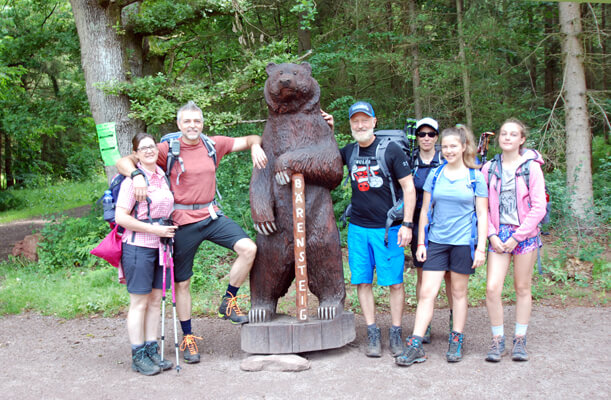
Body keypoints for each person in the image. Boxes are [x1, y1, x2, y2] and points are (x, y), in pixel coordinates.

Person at [116, 101, 267, 364]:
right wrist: (136, 176)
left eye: (196, 121)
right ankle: (187, 337)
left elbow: (253, 137)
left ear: (202, 123)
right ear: (179, 124)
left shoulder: (213, 144)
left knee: (249, 248)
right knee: (182, 283)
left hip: (211, 215)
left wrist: (255, 145)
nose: (192, 125)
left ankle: (228, 301)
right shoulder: (167, 149)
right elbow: (124, 160)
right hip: (181, 222)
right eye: (187, 121)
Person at [328, 101, 416, 358]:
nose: (360, 124)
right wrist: (330, 131)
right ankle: (373, 332)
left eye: (365, 119)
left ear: (374, 121)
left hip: (387, 229)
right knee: (363, 282)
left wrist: (407, 225)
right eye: (355, 120)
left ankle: (396, 332)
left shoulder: (391, 151)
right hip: (358, 228)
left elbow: (409, 189)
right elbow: (327, 159)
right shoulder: (349, 151)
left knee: (395, 283)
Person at [396, 124, 488, 367]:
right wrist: (421, 242)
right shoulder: (435, 175)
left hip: (462, 244)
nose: (448, 151)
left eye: (453, 146)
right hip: (436, 242)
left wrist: (481, 248)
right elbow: (425, 210)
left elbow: (483, 213)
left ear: (463, 147)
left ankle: (456, 338)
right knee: (427, 293)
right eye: (445, 146)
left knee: (458, 293)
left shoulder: (475, 177)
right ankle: (415, 343)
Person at [481, 119, 547, 362]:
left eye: (513, 134)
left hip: (525, 235)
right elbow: (482, 206)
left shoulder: (532, 168)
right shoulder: (488, 168)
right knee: (492, 288)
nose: (507, 137)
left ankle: (520, 339)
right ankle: (498, 340)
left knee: (522, 287)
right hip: (498, 236)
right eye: (504, 133)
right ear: (499, 138)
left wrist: (518, 237)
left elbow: (539, 207)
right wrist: (491, 234)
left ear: (521, 140)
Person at [115, 133, 178, 376]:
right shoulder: (132, 181)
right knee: (139, 302)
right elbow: (122, 218)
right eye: (144, 148)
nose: (150, 150)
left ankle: (152, 349)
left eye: (152, 146)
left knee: (154, 300)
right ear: (137, 153)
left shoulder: (162, 176)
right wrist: (155, 229)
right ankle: (138, 354)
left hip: (161, 248)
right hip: (138, 247)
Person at [410, 117, 452, 343]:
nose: (426, 138)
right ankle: (423, 324)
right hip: (420, 223)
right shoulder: (411, 160)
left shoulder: (446, 159)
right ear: (416, 137)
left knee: (449, 276)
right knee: (423, 273)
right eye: (421, 134)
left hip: (446, 222)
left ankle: (455, 321)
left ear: (437, 137)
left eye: (431, 134)